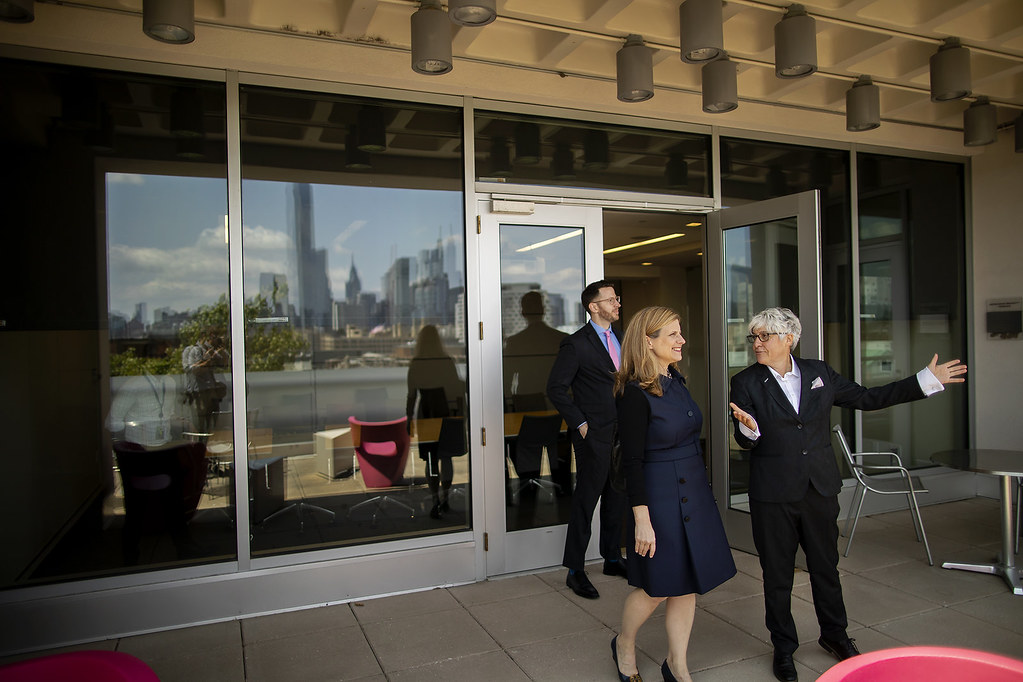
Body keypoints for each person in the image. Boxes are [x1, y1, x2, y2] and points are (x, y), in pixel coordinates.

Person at [728, 307, 966, 682]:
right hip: (773, 493)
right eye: (753, 337)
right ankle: (784, 649)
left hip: (819, 488)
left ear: (789, 338)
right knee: (777, 575)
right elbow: (745, 435)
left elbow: (869, 397)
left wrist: (923, 381)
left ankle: (835, 636)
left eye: (764, 337)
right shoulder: (745, 381)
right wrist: (749, 431)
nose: (756, 344)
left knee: (826, 567)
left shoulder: (820, 373)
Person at [611, 306, 736, 682]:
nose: (682, 340)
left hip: (694, 494)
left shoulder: (676, 381)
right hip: (659, 500)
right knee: (656, 587)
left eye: (680, 333)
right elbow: (632, 462)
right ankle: (625, 644)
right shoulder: (634, 395)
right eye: (672, 335)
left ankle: (676, 664)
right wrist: (642, 521)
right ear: (647, 342)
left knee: (687, 583)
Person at [546, 280, 628, 599]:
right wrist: (580, 423)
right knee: (587, 500)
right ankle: (575, 570)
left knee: (616, 496)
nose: (617, 303)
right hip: (593, 433)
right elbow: (556, 388)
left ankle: (611, 558)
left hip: (623, 431)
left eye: (617, 298)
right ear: (594, 307)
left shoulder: (622, 338)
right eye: (611, 300)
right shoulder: (576, 344)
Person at [405, 325, 466, 519]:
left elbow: (412, 395)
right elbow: (455, 388)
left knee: (431, 459)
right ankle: (446, 498)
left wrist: (409, 419)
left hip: (426, 414)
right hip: (446, 413)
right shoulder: (446, 361)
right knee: (446, 457)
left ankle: (435, 500)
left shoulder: (415, 363)